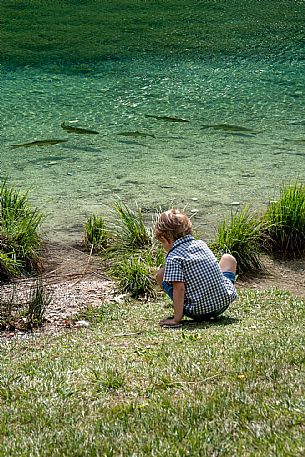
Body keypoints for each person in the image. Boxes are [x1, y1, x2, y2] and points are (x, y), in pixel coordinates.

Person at [154, 208, 237, 327]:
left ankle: (182, 311)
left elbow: (179, 288)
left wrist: (176, 319)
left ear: (165, 238)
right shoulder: (201, 244)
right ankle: (218, 294)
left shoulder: (173, 257)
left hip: (198, 312)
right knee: (228, 259)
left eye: (161, 243)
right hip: (222, 304)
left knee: (160, 274)